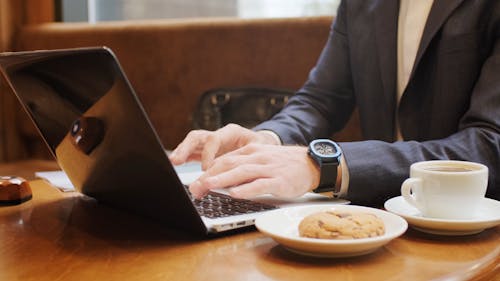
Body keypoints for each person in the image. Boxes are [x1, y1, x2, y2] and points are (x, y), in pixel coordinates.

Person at [169, 0, 500, 206]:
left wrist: (324, 166)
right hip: (379, 213)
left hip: (472, 223)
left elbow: (489, 143)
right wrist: (267, 138)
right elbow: (320, 100)